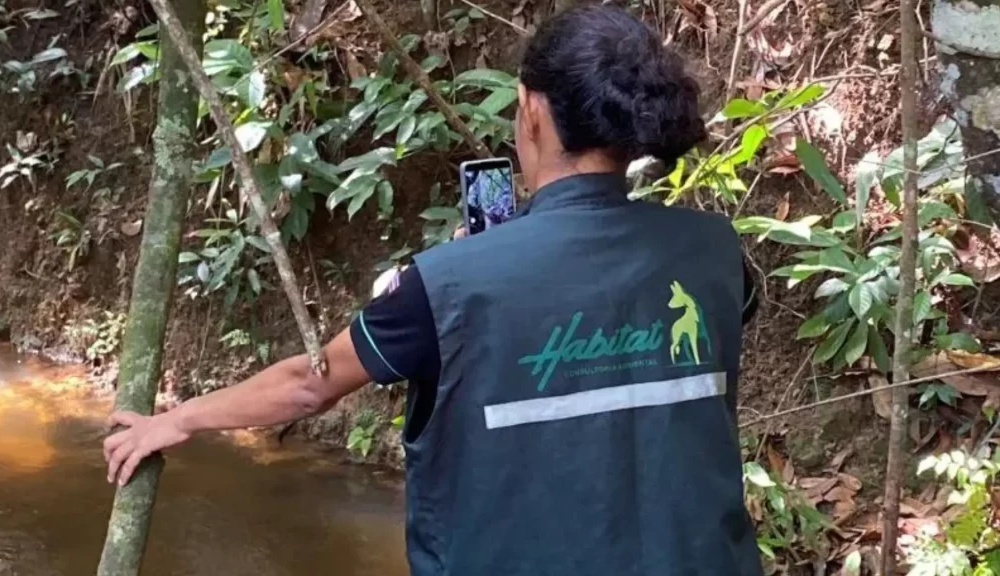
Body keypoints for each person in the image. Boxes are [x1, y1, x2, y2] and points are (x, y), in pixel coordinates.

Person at [103, 5, 762, 575]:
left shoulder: (449, 283)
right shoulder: (716, 251)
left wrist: (174, 420)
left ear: (532, 109)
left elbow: (312, 382)